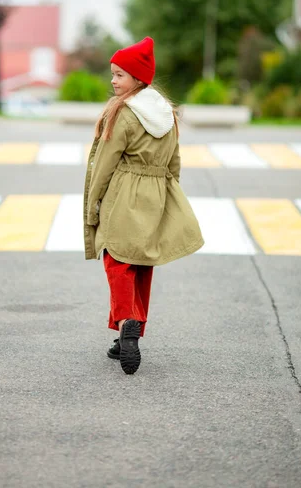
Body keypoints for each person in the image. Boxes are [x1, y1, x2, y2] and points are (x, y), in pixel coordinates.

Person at [83, 36, 204, 375]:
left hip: (124, 191)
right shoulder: (166, 113)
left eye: (119, 75)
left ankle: (127, 323)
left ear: (137, 78)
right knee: (139, 265)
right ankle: (125, 337)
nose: (113, 80)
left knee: (116, 261)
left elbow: (106, 162)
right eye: (113, 73)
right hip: (156, 193)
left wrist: (94, 203)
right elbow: (174, 162)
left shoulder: (123, 113)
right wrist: (169, 194)